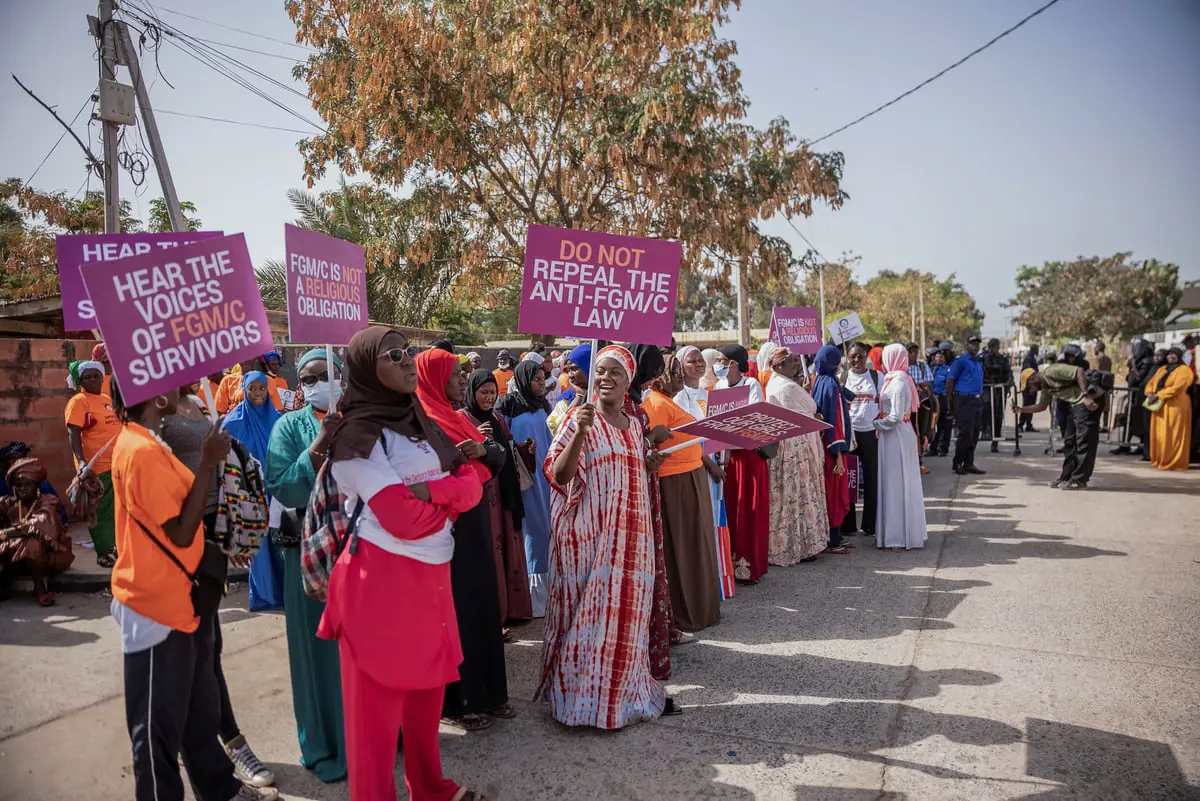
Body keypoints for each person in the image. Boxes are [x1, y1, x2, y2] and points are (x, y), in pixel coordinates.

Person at [318, 326, 488, 801]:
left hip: (430, 585)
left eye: (408, 351)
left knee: (424, 702)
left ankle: (430, 789)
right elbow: (402, 520)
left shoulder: (419, 422)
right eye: (394, 354)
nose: (408, 359)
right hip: (380, 592)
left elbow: (475, 479)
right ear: (367, 369)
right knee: (375, 726)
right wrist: (451, 499)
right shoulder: (355, 437)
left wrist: (433, 492)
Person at [108, 378, 278, 801]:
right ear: (156, 397)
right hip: (153, 606)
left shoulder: (148, 444)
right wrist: (206, 462)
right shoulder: (141, 451)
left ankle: (218, 787)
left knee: (192, 708)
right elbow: (182, 533)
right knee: (155, 734)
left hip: (177, 596)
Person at [540, 345, 675, 728]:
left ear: (629, 379)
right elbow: (559, 476)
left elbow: (631, 470)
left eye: (616, 373)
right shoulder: (577, 419)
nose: (605, 379)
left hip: (632, 544)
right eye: (600, 372)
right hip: (589, 543)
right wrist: (580, 433)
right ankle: (579, 704)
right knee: (588, 623)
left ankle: (620, 699)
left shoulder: (634, 426)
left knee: (626, 624)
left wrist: (647, 462)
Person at [161, 383, 275, 790]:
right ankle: (226, 741)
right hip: (179, 537)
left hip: (211, 532)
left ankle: (210, 740)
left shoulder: (192, 401)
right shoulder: (157, 406)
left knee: (209, 647)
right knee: (199, 650)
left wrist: (228, 535)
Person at [263, 348, 348, 784]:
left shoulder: (360, 418)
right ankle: (326, 744)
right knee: (317, 651)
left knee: (361, 649)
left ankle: (371, 735)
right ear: (300, 384)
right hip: (311, 556)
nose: (320, 383)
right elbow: (281, 486)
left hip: (361, 553)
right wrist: (319, 443)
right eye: (310, 377)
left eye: (329, 374)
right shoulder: (288, 427)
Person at [415, 350, 511, 730]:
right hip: (443, 527)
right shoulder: (419, 420)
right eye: (454, 374)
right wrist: (463, 461)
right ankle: (459, 701)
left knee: (481, 605)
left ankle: (488, 693)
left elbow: (496, 457)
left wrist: (482, 450)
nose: (460, 379)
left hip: (474, 522)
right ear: (435, 378)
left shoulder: (456, 417)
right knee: (454, 613)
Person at [641, 353, 720, 632]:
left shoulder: (667, 401)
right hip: (674, 482)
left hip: (689, 475)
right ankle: (687, 613)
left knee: (696, 546)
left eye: (677, 372)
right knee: (683, 549)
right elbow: (650, 447)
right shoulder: (655, 403)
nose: (678, 377)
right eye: (672, 372)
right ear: (658, 375)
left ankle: (700, 609)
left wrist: (706, 463)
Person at [462, 369, 533, 625]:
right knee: (490, 545)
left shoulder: (498, 418)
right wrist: (476, 436)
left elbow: (509, 447)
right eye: (484, 392)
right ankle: (494, 611)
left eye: (492, 392)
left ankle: (513, 608)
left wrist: (524, 449)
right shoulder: (462, 418)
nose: (489, 397)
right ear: (472, 392)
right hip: (483, 494)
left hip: (504, 491)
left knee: (508, 542)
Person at [625, 344, 676, 678]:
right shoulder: (620, 403)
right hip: (628, 495)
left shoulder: (633, 400)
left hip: (645, 485)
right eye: (650, 372)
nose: (653, 380)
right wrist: (651, 437)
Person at [675, 346, 734, 599]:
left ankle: (717, 583)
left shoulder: (707, 393)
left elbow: (715, 431)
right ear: (680, 365)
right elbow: (684, 438)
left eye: (701, 360)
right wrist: (708, 463)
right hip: (696, 467)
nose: (699, 364)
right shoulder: (680, 397)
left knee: (715, 523)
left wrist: (724, 451)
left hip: (713, 465)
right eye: (692, 360)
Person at [496, 359, 554, 618]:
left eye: (543, 378)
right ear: (523, 379)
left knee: (547, 528)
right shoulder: (508, 405)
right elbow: (501, 440)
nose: (542, 383)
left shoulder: (543, 404)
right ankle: (532, 598)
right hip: (522, 479)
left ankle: (548, 594)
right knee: (531, 531)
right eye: (536, 379)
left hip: (545, 477)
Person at [764, 348, 829, 564]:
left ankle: (788, 544)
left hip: (783, 444)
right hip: (797, 445)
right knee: (800, 494)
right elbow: (811, 406)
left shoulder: (773, 383)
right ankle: (802, 545)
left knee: (786, 496)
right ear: (778, 365)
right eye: (790, 361)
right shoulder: (787, 386)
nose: (795, 365)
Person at [714, 344, 771, 583]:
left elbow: (752, 420)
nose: (716, 365)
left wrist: (730, 426)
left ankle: (749, 568)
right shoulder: (717, 386)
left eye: (721, 360)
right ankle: (728, 563)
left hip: (749, 457)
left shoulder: (751, 385)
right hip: (727, 458)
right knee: (730, 510)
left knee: (750, 510)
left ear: (733, 364)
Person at [1014, 344, 1103, 489]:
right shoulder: (1046, 387)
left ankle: (1079, 479)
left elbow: (1078, 371)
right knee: (1069, 441)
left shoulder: (1051, 371)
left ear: (1032, 379)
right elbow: (1041, 406)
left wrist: (1086, 395)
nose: (1031, 390)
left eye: (1029, 387)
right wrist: (1021, 409)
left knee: (1084, 441)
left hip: (1089, 400)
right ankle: (1066, 476)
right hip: (1075, 404)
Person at [64, 358, 121, 567]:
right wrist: (81, 462)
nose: (93, 380)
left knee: (116, 510)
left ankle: (115, 548)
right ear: (80, 380)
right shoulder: (79, 401)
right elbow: (73, 434)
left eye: (96, 375)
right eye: (87, 377)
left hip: (117, 464)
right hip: (96, 469)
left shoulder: (106, 398)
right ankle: (103, 553)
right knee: (101, 512)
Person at [873, 345, 928, 551]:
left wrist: (876, 424)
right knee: (894, 482)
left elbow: (895, 417)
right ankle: (895, 533)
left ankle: (897, 536)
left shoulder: (898, 382)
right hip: (894, 435)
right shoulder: (897, 379)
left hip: (895, 435)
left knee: (895, 484)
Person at [0, 457, 74, 606]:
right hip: (17, 554)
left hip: (47, 556)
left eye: (27, 485)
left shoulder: (48, 501)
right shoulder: (9, 503)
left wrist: (5, 534)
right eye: (18, 485)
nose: (22, 489)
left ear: (37, 486)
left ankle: (40, 588)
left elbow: (36, 524)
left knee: (32, 543)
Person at [811, 345, 854, 555]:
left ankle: (831, 536)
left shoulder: (820, 381)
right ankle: (833, 540)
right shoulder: (830, 385)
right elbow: (835, 422)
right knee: (835, 494)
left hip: (822, 446)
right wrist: (838, 454)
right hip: (833, 450)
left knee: (828, 493)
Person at [839, 342, 881, 538]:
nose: (857, 360)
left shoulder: (876, 377)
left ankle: (870, 523)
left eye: (861, 356)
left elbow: (884, 402)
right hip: (850, 433)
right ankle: (848, 525)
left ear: (867, 357)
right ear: (847, 357)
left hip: (870, 433)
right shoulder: (842, 378)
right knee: (849, 479)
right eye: (853, 356)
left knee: (872, 478)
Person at [1143, 346, 1195, 471]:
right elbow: (1150, 384)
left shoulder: (1185, 370)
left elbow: (1178, 387)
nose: (1170, 356)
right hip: (1160, 406)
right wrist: (1149, 393)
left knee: (1174, 434)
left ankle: (1175, 461)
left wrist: (1159, 395)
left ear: (1179, 356)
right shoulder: (1162, 369)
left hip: (1176, 406)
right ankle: (1160, 459)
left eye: (1174, 354)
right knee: (1160, 434)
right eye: (1169, 354)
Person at [947, 334, 986, 476]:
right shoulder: (961, 361)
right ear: (967, 345)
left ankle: (969, 463)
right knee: (965, 433)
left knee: (975, 433)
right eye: (972, 344)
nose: (975, 346)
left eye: (977, 344)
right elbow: (950, 381)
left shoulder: (977, 362)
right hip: (964, 400)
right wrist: (949, 401)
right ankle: (957, 463)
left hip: (976, 399)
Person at [0, 442, 68, 524]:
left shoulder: (43, 489)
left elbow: (51, 518)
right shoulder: (4, 485)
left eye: (17, 459)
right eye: (11, 459)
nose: (22, 488)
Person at [1114, 340, 1156, 457]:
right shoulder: (1137, 361)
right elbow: (1130, 378)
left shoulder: (1147, 361)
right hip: (1134, 396)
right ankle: (1124, 445)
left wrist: (1133, 364)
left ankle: (1142, 446)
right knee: (1128, 420)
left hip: (1141, 395)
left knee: (1141, 422)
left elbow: (1138, 378)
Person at [547, 343, 591, 436]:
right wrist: (579, 397)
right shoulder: (566, 400)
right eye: (568, 370)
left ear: (590, 368)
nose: (570, 375)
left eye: (574, 369)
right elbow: (557, 432)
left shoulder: (607, 398)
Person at [980, 338, 1013, 453]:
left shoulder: (1003, 359)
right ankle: (986, 430)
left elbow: (1009, 372)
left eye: (996, 347)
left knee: (998, 416)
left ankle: (995, 442)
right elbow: (980, 372)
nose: (995, 349)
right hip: (987, 388)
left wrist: (1009, 382)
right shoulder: (984, 359)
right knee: (986, 407)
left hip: (1000, 389)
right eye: (993, 347)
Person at [908, 343, 935, 472]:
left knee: (922, 432)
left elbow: (928, 383)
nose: (913, 354)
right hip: (907, 406)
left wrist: (919, 386)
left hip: (922, 404)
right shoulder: (901, 367)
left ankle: (919, 460)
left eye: (915, 351)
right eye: (910, 351)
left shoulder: (922, 365)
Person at [929, 349, 953, 455]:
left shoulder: (948, 370)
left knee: (944, 425)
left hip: (943, 398)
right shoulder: (932, 370)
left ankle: (943, 448)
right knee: (933, 424)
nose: (938, 359)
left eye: (941, 357)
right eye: (937, 357)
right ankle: (933, 448)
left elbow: (949, 385)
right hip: (933, 399)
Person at [1019, 345, 1041, 433]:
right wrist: (1031, 386)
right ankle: (1020, 424)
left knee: (1031, 405)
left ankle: (1028, 424)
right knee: (1027, 405)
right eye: (1037, 349)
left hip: (1032, 385)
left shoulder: (1032, 358)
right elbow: (1028, 373)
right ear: (1034, 349)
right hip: (1028, 386)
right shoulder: (1029, 359)